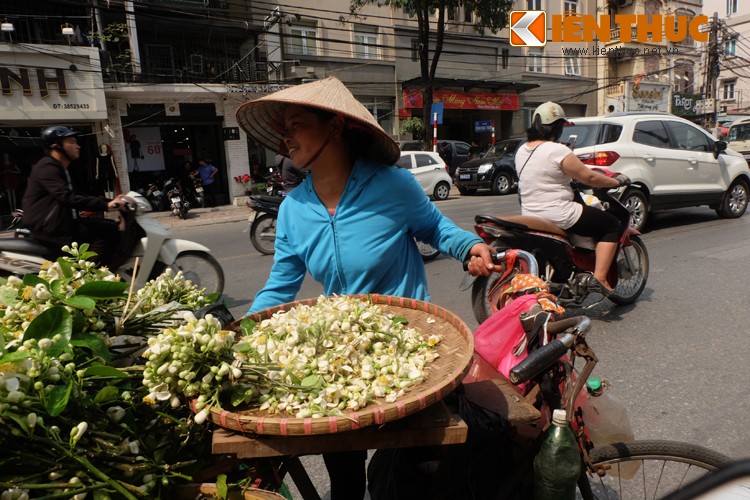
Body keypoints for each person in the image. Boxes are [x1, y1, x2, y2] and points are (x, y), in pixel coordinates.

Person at [235, 76, 497, 500]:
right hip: (343, 355)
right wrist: (240, 333)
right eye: (284, 128)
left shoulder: (391, 185)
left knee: (415, 473)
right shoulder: (293, 210)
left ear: (335, 126)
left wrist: (469, 247)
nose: (287, 137)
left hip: (412, 348)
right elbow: (280, 287)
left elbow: (434, 227)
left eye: (297, 123)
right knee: (346, 478)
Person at [515, 102, 629, 292]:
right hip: (558, 213)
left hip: (530, 215)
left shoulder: (522, 150)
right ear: (558, 127)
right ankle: (599, 278)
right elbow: (589, 177)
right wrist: (615, 182)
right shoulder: (557, 150)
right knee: (612, 225)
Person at [22, 126, 127, 269]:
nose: (77, 146)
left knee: (107, 224)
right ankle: (89, 275)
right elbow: (68, 197)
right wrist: (107, 206)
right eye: (71, 142)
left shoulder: (59, 168)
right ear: (56, 146)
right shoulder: (47, 168)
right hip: (51, 228)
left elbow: (80, 195)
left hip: (60, 223)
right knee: (109, 231)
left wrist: (113, 201)